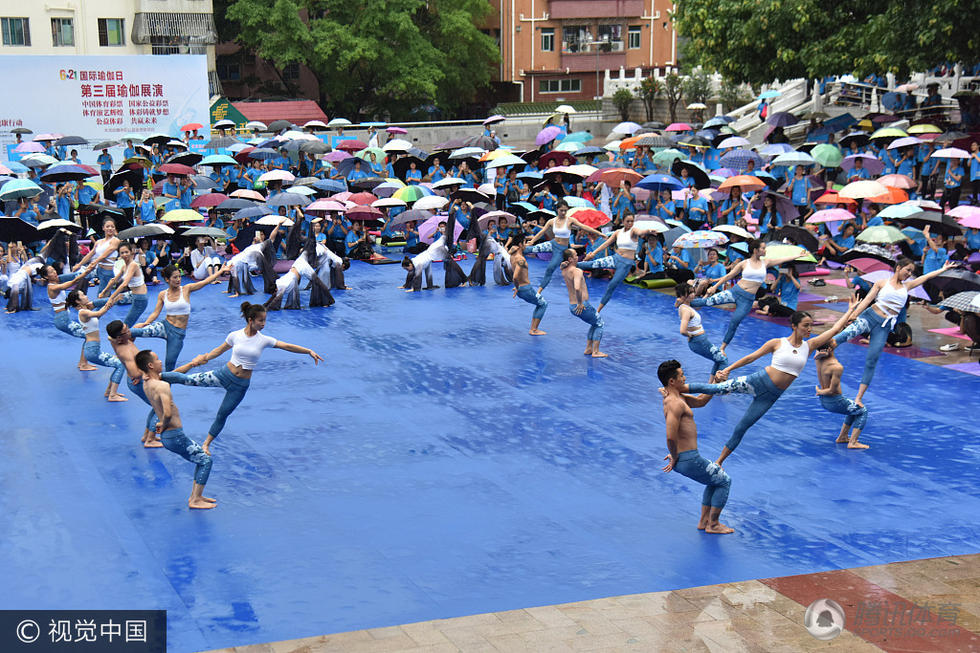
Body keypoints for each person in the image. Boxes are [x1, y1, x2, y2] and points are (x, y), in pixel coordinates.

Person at [683, 301, 857, 466]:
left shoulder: (809, 345)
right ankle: (678, 388)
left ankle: (719, 462)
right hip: (757, 381)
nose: (809, 329)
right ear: (794, 326)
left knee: (742, 427)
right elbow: (752, 357)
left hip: (771, 396)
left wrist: (850, 311)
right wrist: (729, 369)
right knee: (717, 388)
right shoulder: (777, 343)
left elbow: (835, 329)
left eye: (811, 325)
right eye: (806, 325)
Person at [167, 302, 324, 455]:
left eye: (265, 320)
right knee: (187, 380)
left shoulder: (264, 340)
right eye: (260, 320)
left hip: (240, 385)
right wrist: (202, 359)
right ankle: (158, 376)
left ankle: (206, 444)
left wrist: (308, 351)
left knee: (222, 414)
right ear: (251, 320)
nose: (263, 324)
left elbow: (287, 346)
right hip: (223, 375)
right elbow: (219, 350)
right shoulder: (235, 335)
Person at [832, 257, 955, 406]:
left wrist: (942, 269)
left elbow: (926, 277)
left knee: (872, 361)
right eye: (907, 270)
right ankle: (818, 351)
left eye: (911, 271)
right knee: (841, 337)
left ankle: (858, 398)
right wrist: (852, 316)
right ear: (898, 268)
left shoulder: (907, 286)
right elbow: (866, 301)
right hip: (869, 317)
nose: (909, 274)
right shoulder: (882, 283)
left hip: (884, 327)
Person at [658, 360, 733, 534]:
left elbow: (700, 401)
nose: (685, 378)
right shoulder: (674, 403)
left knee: (713, 480)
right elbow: (670, 436)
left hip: (686, 457)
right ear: (672, 381)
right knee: (725, 481)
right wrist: (674, 455)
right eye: (682, 375)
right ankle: (713, 525)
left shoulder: (677, 397)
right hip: (689, 459)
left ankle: (704, 521)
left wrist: (715, 382)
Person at [136, 350, 216, 509]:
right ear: (150, 365)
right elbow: (167, 412)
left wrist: (193, 364)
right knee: (206, 461)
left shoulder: (147, 383)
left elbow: (174, 374)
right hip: (175, 435)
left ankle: (196, 496)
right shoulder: (162, 385)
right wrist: (163, 424)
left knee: (200, 460)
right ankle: (195, 500)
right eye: (157, 360)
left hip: (170, 436)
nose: (161, 362)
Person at [691, 239, 801, 353]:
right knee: (707, 302)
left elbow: (782, 259)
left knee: (734, 322)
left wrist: (797, 255)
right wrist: (715, 286)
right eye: (763, 248)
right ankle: (685, 303)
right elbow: (729, 276)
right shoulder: (744, 263)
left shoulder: (766, 262)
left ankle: (722, 347)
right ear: (755, 250)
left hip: (747, 300)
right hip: (735, 292)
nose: (765, 250)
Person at [135, 262, 228, 371]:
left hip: (177, 333)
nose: (178, 279)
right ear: (167, 279)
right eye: (175, 277)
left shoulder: (186, 289)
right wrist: (146, 323)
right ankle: (125, 358)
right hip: (164, 326)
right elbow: (155, 313)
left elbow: (205, 282)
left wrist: (221, 271)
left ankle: (164, 386)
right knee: (133, 331)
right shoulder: (162, 294)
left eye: (179, 277)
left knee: (169, 365)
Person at [576, 215, 660, 313]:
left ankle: (598, 310)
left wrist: (648, 231)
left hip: (625, 264)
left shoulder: (633, 231)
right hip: (615, 258)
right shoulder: (617, 232)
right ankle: (569, 264)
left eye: (632, 221)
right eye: (627, 221)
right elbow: (606, 244)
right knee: (592, 264)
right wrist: (593, 253)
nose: (630, 223)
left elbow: (640, 232)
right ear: (623, 221)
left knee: (612, 285)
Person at [523, 200, 604, 293]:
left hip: (561, 249)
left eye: (565, 210)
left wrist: (598, 233)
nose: (563, 212)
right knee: (528, 249)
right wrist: (532, 241)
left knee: (550, 268)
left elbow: (584, 227)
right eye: (561, 210)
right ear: (557, 210)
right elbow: (542, 231)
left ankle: (539, 291)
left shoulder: (570, 220)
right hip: (552, 243)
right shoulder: (551, 221)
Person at [67, 289, 126, 401]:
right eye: (83, 295)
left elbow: (98, 315)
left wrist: (113, 301)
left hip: (94, 349)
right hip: (92, 350)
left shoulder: (87, 311)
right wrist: (112, 300)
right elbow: (99, 312)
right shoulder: (83, 312)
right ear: (78, 301)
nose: (86, 296)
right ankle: (112, 395)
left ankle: (110, 391)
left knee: (120, 363)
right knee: (120, 365)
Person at [814, 339, 869, 450]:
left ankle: (843, 437)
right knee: (863, 411)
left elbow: (819, 348)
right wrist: (819, 391)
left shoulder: (818, 359)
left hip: (824, 400)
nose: (836, 340)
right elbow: (832, 390)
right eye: (833, 341)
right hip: (834, 400)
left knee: (853, 409)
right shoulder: (836, 367)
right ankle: (853, 442)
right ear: (830, 349)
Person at [41, 262, 96, 370]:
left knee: (88, 335)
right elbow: (73, 281)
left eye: (54, 270)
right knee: (89, 335)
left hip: (63, 319)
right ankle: (83, 364)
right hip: (63, 321)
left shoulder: (56, 281)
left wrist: (88, 270)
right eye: (51, 272)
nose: (55, 272)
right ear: (46, 277)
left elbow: (73, 275)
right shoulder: (53, 287)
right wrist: (85, 272)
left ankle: (82, 363)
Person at [675, 283, 728, 381]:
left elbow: (698, 307)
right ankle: (718, 386)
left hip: (700, 341)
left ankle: (711, 385)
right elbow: (682, 330)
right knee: (723, 360)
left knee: (718, 360)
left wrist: (707, 295)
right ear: (683, 296)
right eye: (690, 293)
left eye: (692, 292)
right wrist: (689, 334)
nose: (693, 294)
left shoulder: (686, 305)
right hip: (699, 341)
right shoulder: (686, 310)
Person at [559, 248, 606, 358]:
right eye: (575, 255)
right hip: (581, 305)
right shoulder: (577, 271)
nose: (578, 256)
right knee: (599, 323)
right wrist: (580, 303)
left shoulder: (564, 270)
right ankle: (595, 351)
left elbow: (572, 266)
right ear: (570, 259)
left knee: (594, 323)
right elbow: (577, 287)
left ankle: (589, 348)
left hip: (572, 305)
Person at [101, 241, 149, 327]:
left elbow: (124, 284)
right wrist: (104, 291)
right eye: (122, 253)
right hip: (132, 295)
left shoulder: (133, 265)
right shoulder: (124, 266)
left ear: (131, 252)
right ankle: (91, 307)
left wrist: (111, 298)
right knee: (104, 301)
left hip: (140, 299)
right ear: (119, 254)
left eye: (126, 252)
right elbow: (113, 280)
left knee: (126, 326)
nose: (124, 254)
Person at [509, 232, 547, 335]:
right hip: (525, 289)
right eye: (524, 243)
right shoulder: (520, 259)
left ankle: (533, 328)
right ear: (520, 245)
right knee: (543, 304)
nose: (526, 245)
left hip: (522, 288)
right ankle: (533, 330)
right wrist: (517, 287)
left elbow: (511, 249)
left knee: (539, 304)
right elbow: (515, 276)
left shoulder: (512, 255)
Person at [72, 217, 121, 293]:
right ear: (103, 228)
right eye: (107, 226)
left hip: (107, 271)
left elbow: (105, 254)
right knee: (80, 278)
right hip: (98, 269)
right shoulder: (99, 242)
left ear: (115, 228)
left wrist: (95, 262)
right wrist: (79, 265)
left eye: (112, 226)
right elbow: (90, 255)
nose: (110, 228)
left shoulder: (115, 240)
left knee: (102, 294)